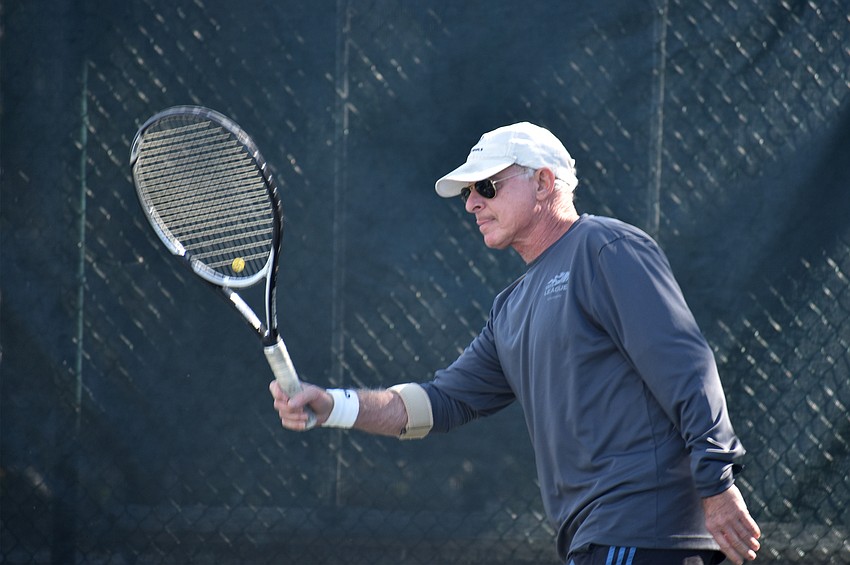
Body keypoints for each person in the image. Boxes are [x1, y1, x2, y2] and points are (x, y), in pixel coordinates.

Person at [270, 122, 761, 565]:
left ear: (544, 182)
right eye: (468, 192)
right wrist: (331, 406)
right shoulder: (510, 308)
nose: (472, 203)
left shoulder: (606, 248)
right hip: (598, 540)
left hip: (644, 530)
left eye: (487, 185)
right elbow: (440, 402)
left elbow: (687, 367)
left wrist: (717, 483)